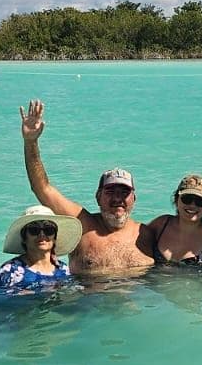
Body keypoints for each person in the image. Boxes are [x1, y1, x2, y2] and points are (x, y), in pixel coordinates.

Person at [18, 99, 154, 275]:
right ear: (98, 197)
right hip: (87, 293)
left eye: (124, 192)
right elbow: (42, 188)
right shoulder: (81, 225)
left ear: (134, 198)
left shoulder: (147, 233)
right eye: (110, 191)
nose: (117, 198)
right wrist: (31, 142)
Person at [0, 204, 82, 296]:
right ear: (24, 238)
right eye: (34, 230)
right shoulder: (11, 270)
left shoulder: (64, 269)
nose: (42, 235)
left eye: (48, 230)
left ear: (54, 238)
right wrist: (27, 294)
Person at [146, 174, 202, 268]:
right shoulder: (161, 224)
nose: (192, 205)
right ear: (176, 200)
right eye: (187, 199)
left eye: (199, 201)